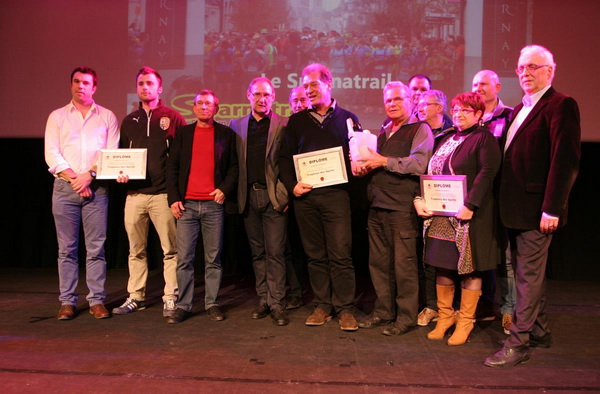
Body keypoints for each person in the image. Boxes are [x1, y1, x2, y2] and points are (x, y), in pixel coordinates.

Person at [484, 45, 580, 367]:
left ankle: (519, 343)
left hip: (538, 210)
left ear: (550, 71)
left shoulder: (561, 105)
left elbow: (564, 160)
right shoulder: (516, 110)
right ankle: (540, 332)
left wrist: (552, 208)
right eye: (522, 68)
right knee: (529, 277)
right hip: (513, 209)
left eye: (534, 67)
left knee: (527, 278)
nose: (526, 73)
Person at [414, 92, 501, 346]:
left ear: (478, 114)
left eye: (466, 110)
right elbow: (433, 174)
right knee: (443, 265)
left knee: (469, 268)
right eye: (456, 109)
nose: (460, 113)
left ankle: (465, 321)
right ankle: (445, 317)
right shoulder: (448, 137)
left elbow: (488, 172)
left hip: (469, 216)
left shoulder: (484, 139)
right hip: (443, 216)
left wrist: (470, 204)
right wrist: (421, 199)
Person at [279, 63, 360, 331]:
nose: (308, 90)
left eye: (313, 84)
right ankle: (323, 305)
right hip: (307, 198)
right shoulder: (297, 121)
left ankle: (345, 309)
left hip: (338, 197)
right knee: (315, 255)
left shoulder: (348, 118)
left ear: (328, 83)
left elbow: (359, 157)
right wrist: (292, 186)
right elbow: (284, 159)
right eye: (305, 85)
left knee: (341, 254)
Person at [354, 81, 434, 336]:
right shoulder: (382, 131)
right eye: (388, 100)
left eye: (398, 99)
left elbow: (419, 164)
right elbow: (375, 164)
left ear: (411, 101)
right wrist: (362, 167)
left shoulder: (420, 129)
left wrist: (382, 161)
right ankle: (383, 312)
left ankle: (406, 317)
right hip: (377, 207)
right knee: (379, 265)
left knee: (404, 266)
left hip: (402, 210)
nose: (393, 104)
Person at [45, 66, 119, 320]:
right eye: (77, 81)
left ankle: (96, 300)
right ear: (71, 85)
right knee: (67, 248)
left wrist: (89, 176)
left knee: (96, 247)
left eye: (86, 82)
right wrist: (76, 179)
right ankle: (67, 301)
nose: (81, 86)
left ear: (94, 87)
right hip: (66, 189)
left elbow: (111, 152)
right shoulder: (57, 116)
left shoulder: (107, 116)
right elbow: (52, 153)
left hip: (96, 189)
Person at [112, 66, 185, 318]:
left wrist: (176, 194)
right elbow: (120, 157)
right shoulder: (128, 121)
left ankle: (171, 297)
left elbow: (181, 159)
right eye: (141, 83)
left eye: (150, 83)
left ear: (159, 88)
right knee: (136, 250)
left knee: (171, 250)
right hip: (134, 195)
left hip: (163, 195)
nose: (145, 87)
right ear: (137, 88)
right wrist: (119, 173)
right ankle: (136, 297)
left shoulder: (173, 117)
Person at [165, 89, 238, 324]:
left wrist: (224, 189)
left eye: (209, 104)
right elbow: (172, 167)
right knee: (184, 258)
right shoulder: (184, 134)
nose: (204, 107)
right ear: (193, 108)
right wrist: (174, 198)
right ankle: (184, 305)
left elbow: (234, 167)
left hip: (213, 206)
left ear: (216, 108)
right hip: (186, 206)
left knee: (213, 259)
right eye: (199, 103)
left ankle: (212, 303)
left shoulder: (226, 134)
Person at [230, 77, 290, 326]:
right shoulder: (236, 125)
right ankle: (263, 299)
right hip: (248, 197)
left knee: (275, 252)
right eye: (257, 94)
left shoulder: (283, 125)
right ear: (248, 95)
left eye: (266, 95)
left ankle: (277, 303)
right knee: (258, 253)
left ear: (273, 97)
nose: (261, 99)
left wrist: (284, 194)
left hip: (273, 196)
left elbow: (288, 163)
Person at [471, 69, 515, 330]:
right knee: (483, 253)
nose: (478, 88)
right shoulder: (470, 117)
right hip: (477, 197)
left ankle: (509, 309)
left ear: (497, 87)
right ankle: (486, 304)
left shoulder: (509, 116)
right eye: (475, 84)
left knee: (506, 256)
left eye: (484, 84)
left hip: (502, 195)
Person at [414, 89, 454, 327]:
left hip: (448, 204)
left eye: (425, 104)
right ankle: (430, 306)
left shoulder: (453, 134)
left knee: (449, 260)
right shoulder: (416, 132)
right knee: (427, 258)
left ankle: (450, 310)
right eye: (417, 104)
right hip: (423, 203)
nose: (419, 108)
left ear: (439, 108)